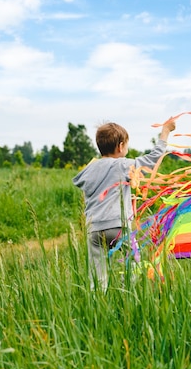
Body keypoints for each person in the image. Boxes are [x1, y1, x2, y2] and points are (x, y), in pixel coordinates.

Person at [73, 119, 176, 289]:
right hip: (118, 227)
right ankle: (125, 291)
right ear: (120, 146)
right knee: (134, 262)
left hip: (94, 229)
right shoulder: (122, 165)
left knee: (97, 276)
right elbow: (153, 159)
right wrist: (165, 132)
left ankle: (97, 304)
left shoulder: (89, 169)